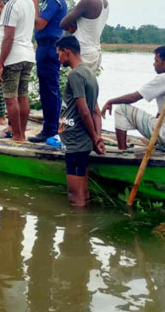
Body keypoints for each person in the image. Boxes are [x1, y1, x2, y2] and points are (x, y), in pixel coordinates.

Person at [101, 46, 165, 151]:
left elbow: (133, 98)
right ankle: (156, 140)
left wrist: (110, 101)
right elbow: (163, 112)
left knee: (122, 109)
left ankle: (122, 152)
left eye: (156, 61)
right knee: (157, 117)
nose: (154, 64)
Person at [56, 36, 105, 207]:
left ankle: (76, 229)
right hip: (80, 139)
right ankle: (83, 231)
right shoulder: (90, 73)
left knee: (75, 195)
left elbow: (84, 111)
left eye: (59, 53)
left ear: (67, 52)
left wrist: (94, 138)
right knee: (83, 190)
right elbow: (96, 112)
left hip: (74, 139)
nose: (58, 58)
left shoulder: (75, 75)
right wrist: (97, 137)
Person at [0, 0, 36, 142]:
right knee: (22, 96)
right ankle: (22, 134)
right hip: (27, 55)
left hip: (13, 57)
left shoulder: (12, 4)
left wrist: (0, 64)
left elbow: (8, 37)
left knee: (10, 98)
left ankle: (17, 136)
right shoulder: (29, 3)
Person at [28, 0, 68, 145]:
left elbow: (40, 24)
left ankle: (50, 129)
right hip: (44, 45)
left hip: (50, 46)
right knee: (46, 89)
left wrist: (35, 5)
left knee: (49, 90)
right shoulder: (50, 0)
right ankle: (51, 127)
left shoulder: (54, 0)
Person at [60, 0, 109, 72]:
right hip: (94, 51)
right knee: (88, 87)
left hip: (82, 52)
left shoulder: (88, 1)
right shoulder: (105, 3)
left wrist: (73, 25)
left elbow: (63, 24)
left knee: (76, 86)